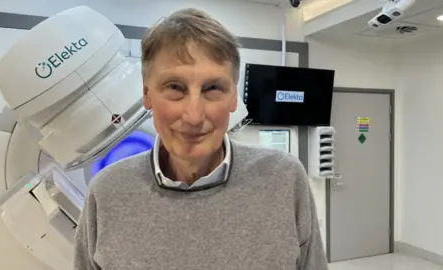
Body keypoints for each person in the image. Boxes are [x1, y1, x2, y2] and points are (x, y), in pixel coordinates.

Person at [73, 8, 328, 270]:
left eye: (213, 88)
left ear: (233, 98)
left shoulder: (283, 179)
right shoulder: (106, 192)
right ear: (147, 94)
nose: (194, 116)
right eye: (175, 87)